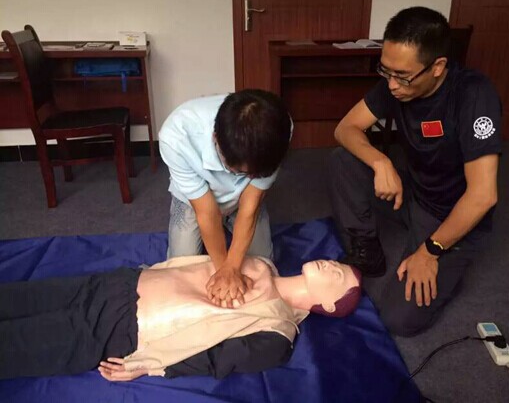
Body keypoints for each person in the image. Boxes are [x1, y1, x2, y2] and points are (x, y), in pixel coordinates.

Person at [329, 7, 501, 337]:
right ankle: (368, 248)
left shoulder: (474, 95)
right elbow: (345, 128)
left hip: (452, 217)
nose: (392, 84)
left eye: (403, 76)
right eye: (386, 71)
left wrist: (430, 251)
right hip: (413, 193)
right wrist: (381, 162)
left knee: (399, 319)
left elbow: (483, 196)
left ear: (437, 67)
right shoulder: (396, 83)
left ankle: (451, 263)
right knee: (343, 159)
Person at [0, 256, 361, 381]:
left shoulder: (278, 334)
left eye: (338, 275)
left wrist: (150, 367)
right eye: (338, 264)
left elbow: (215, 360)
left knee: (16, 344)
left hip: (123, 329)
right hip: (118, 284)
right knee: (19, 298)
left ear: (329, 306)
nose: (331, 264)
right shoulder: (263, 263)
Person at [158, 90, 293, 308]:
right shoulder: (177, 137)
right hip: (195, 202)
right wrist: (225, 269)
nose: (248, 176)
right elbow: (206, 212)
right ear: (215, 139)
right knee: (180, 272)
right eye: (240, 172)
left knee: (263, 268)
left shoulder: (279, 130)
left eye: (254, 174)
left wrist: (233, 266)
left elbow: (250, 207)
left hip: (243, 199)